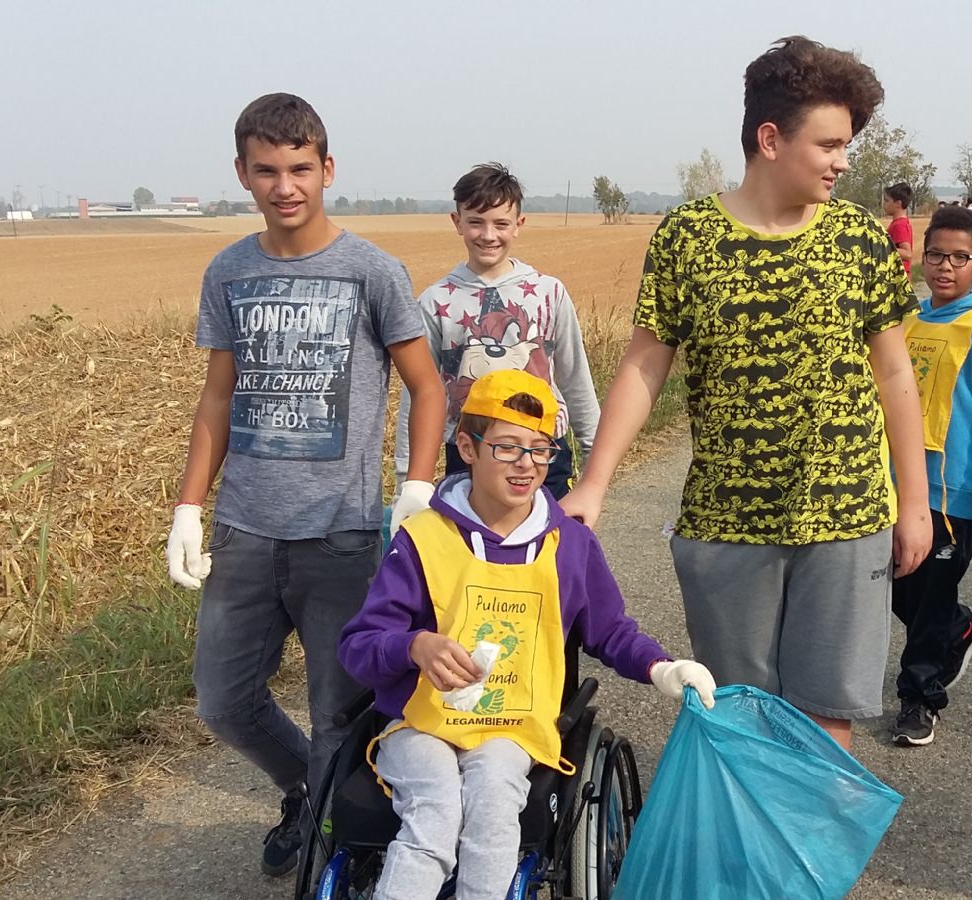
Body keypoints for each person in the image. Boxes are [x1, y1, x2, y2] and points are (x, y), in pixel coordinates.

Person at [561, 35, 932, 752]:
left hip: (847, 515)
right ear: (770, 139)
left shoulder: (859, 239)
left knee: (826, 718)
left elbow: (895, 375)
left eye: (846, 145)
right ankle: (747, 832)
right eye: (828, 144)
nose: (843, 161)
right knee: (738, 715)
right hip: (726, 522)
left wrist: (913, 504)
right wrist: (595, 484)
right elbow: (644, 366)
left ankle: (806, 836)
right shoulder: (688, 238)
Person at [163, 92, 447, 877]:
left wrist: (417, 486)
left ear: (327, 169)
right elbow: (217, 397)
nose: (284, 186)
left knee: (338, 713)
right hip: (246, 530)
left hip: (341, 535)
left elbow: (426, 386)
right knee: (223, 701)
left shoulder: (372, 271)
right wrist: (188, 505)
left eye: (299, 168)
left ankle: (331, 847)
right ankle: (302, 790)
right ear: (242, 174)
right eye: (267, 170)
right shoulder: (229, 270)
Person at [340, 369, 716, 900]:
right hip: (421, 723)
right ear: (467, 448)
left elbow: (609, 630)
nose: (527, 465)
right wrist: (414, 645)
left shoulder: (569, 544)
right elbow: (359, 645)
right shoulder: (422, 539)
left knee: (495, 808)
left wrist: (663, 667)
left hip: (512, 727)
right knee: (435, 814)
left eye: (540, 450)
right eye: (508, 448)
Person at [891, 206, 972, 746]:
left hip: (955, 495)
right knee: (899, 594)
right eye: (936, 255)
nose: (945, 267)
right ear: (922, 258)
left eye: (959, 258)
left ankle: (920, 698)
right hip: (897, 487)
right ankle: (959, 627)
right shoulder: (907, 321)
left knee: (928, 602)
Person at [394, 163, 600, 499]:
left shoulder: (549, 293)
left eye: (501, 224)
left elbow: (576, 379)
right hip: (468, 454)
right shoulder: (435, 301)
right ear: (457, 222)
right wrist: (410, 484)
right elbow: (417, 394)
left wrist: (594, 466)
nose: (488, 235)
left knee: (549, 535)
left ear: (519, 225)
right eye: (475, 222)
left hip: (543, 451)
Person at [883, 182, 914, 278]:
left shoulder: (899, 225)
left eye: (887, 200)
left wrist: (881, 247)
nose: (884, 204)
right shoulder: (901, 223)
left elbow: (907, 254)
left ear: (898, 204)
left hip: (899, 278)